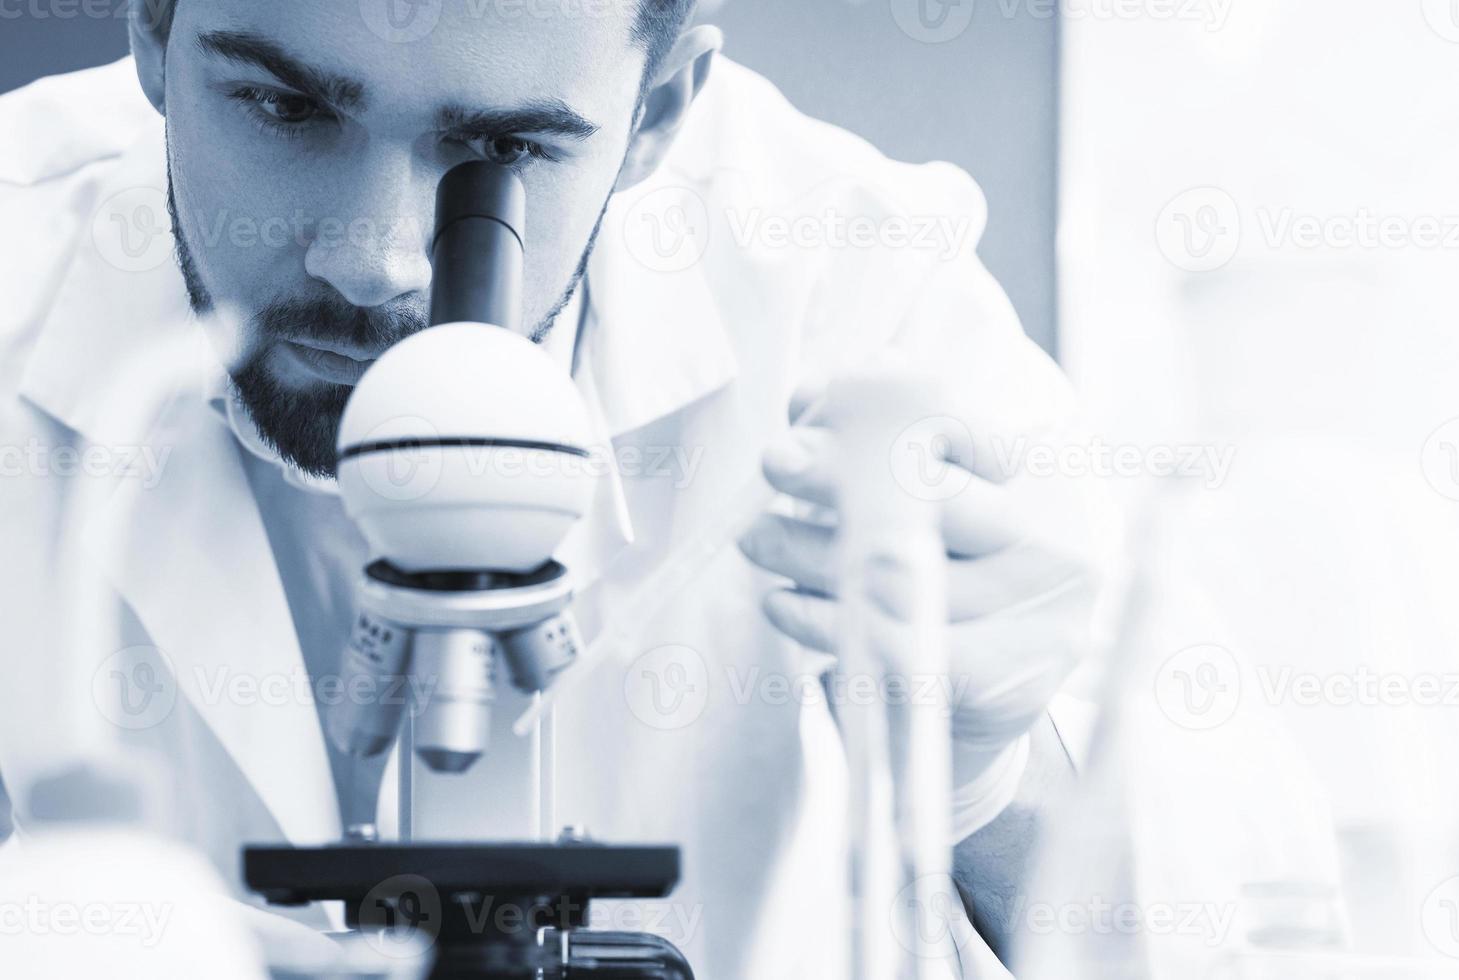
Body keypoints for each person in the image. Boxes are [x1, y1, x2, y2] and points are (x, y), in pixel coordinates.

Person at [0, 1, 1097, 975]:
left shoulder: (859, 294)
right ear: (151, 30)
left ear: (656, 114)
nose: (374, 257)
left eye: (502, 147)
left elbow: (1195, 932)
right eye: (285, 107)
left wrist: (982, 784)